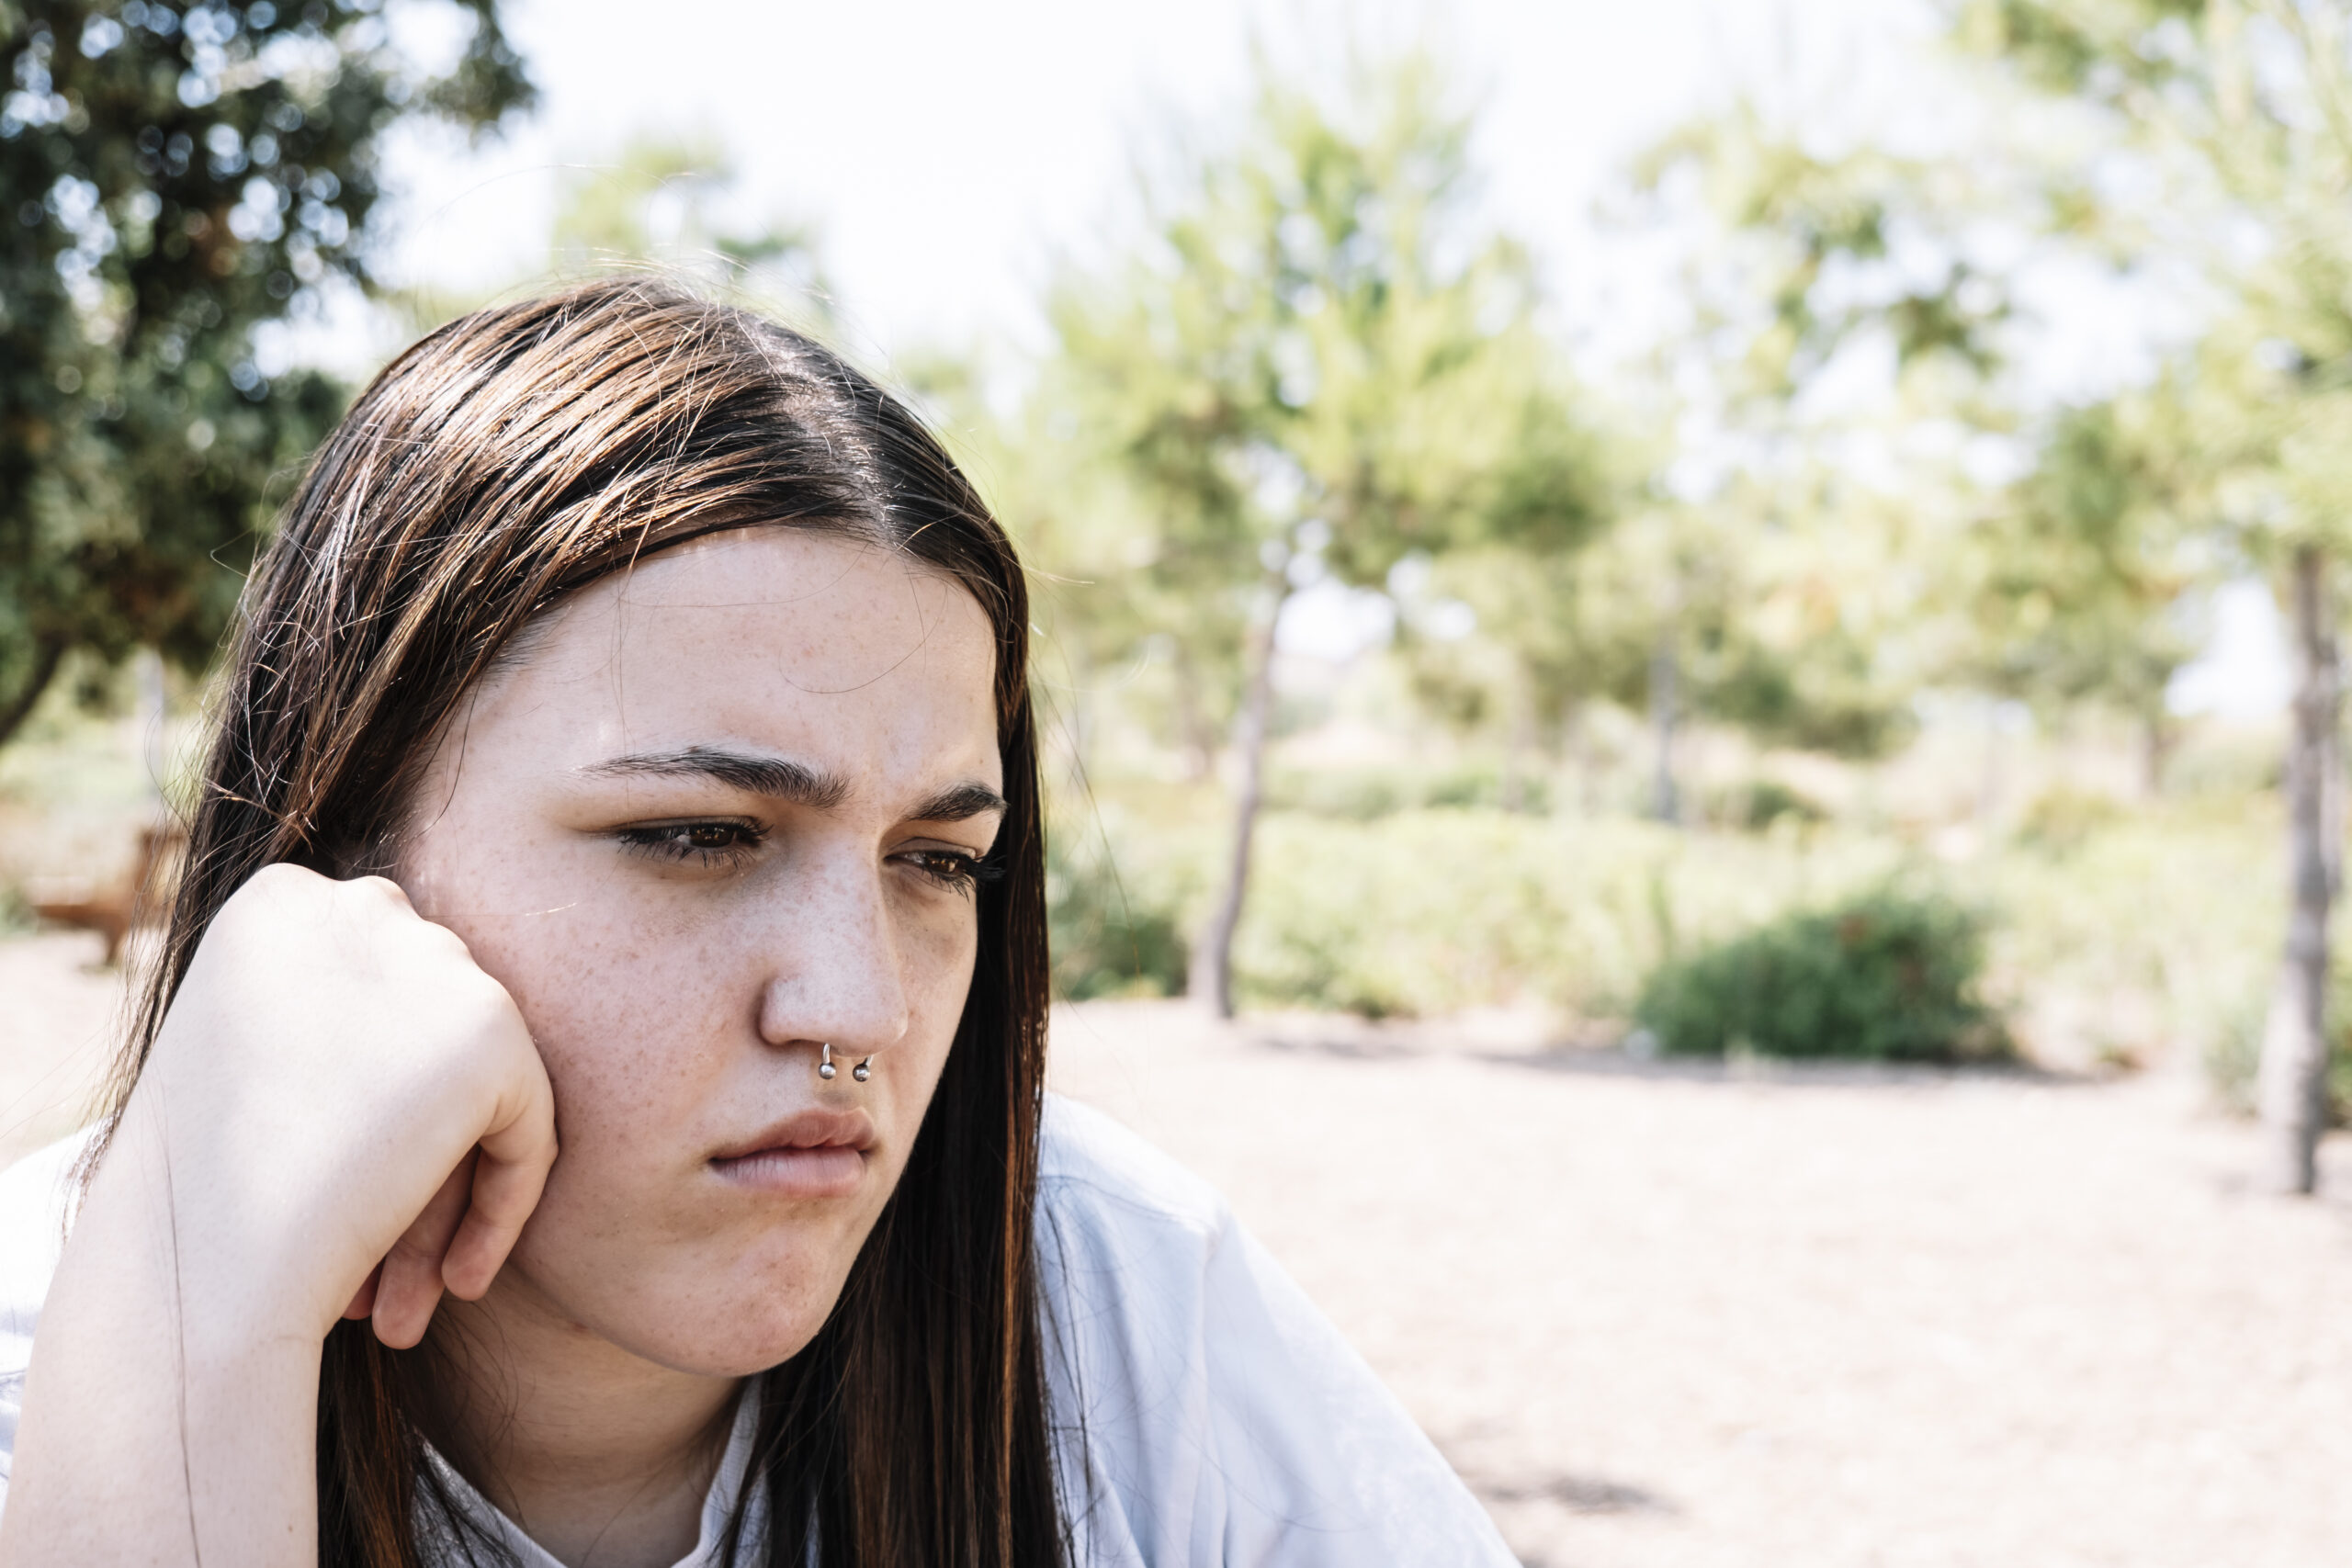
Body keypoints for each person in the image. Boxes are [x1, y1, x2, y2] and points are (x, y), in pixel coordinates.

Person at [0, 281, 1515, 1568]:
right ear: (338, 860)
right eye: (698, 837)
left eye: (935, 862)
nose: (862, 1010)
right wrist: (197, 1331)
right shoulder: (42, 1349)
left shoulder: (1107, 1299)